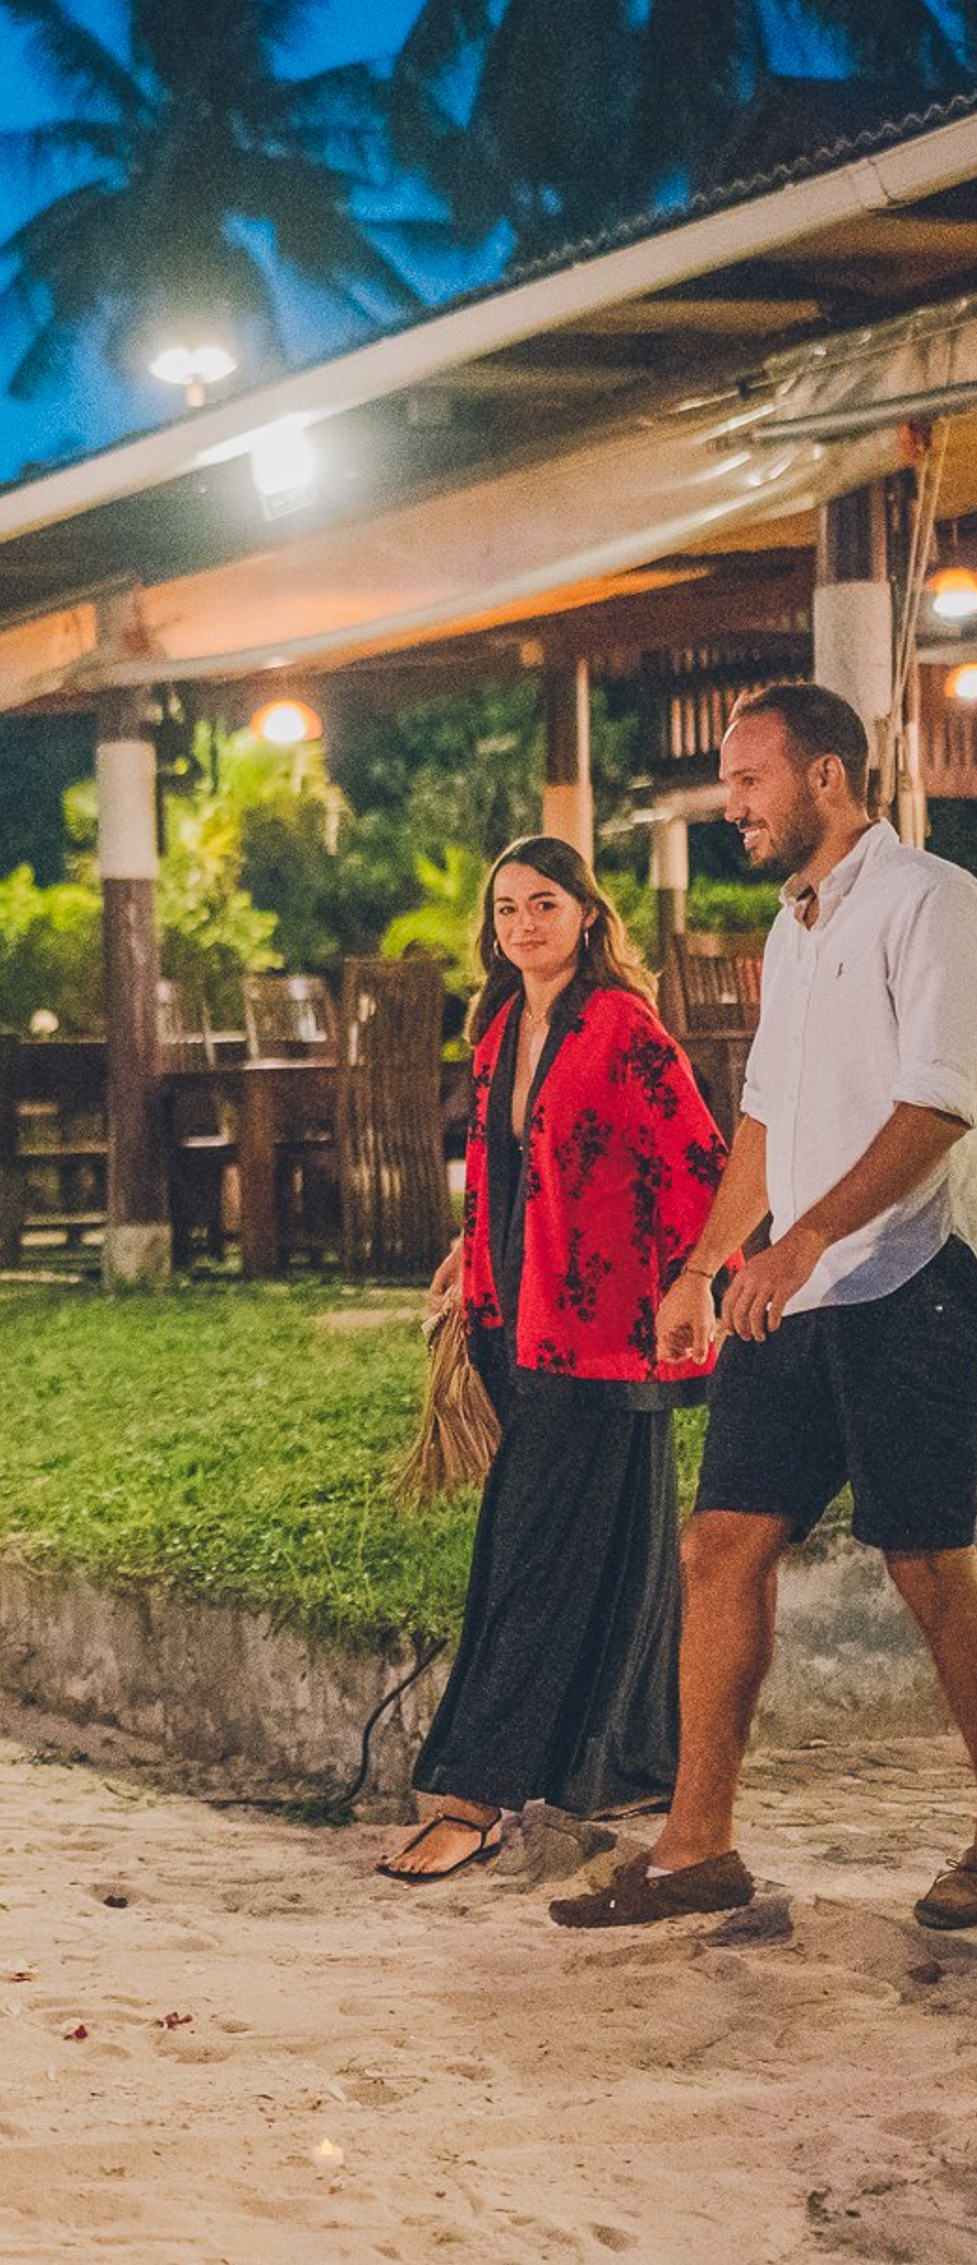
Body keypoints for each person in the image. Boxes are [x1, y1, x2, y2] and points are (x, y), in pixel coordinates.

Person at [552, 683, 977, 1929]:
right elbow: (764, 1119)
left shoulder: (933, 903)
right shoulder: (792, 928)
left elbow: (939, 1105)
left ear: (825, 775)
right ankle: (697, 1849)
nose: (729, 804)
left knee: (930, 1565)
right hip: (787, 1294)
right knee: (722, 1544)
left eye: (748, 780)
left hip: (912, 1280)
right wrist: (705, 1266)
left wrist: (805, 1241)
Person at [378, 835, 729, 1881]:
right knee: (619, 1548)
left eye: (543, 904)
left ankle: (475, 1796)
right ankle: (627, 1760)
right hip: (512, 1320)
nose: (523, 924)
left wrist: (693, 1279)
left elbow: (702, 1160)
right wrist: (468, 1249)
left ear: (586, 913)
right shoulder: (500, 1027)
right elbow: (502, 1163)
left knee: (528, 1552)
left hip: (599, 1331)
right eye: (506, 909)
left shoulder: (623, 1026)